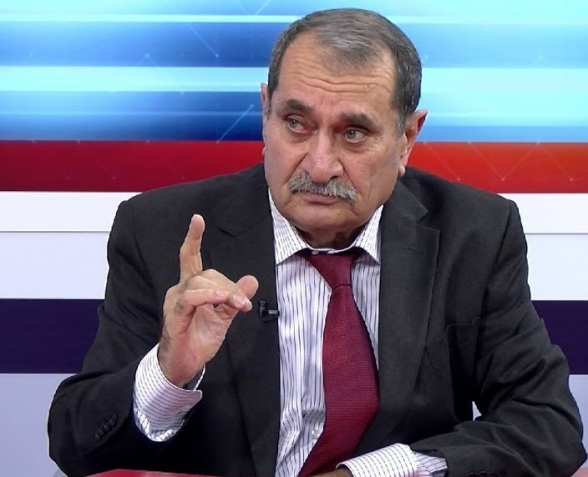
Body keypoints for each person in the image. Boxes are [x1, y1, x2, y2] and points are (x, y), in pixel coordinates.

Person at [48, 8, 585, 477]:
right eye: (296, 123)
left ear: (407, 139)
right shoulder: (162, 230)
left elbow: (547, 424)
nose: (321, 165)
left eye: (353, 133)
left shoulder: (475, 233)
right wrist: (169, 373)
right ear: (265, 113)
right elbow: (75, 443)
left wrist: (368, 473)